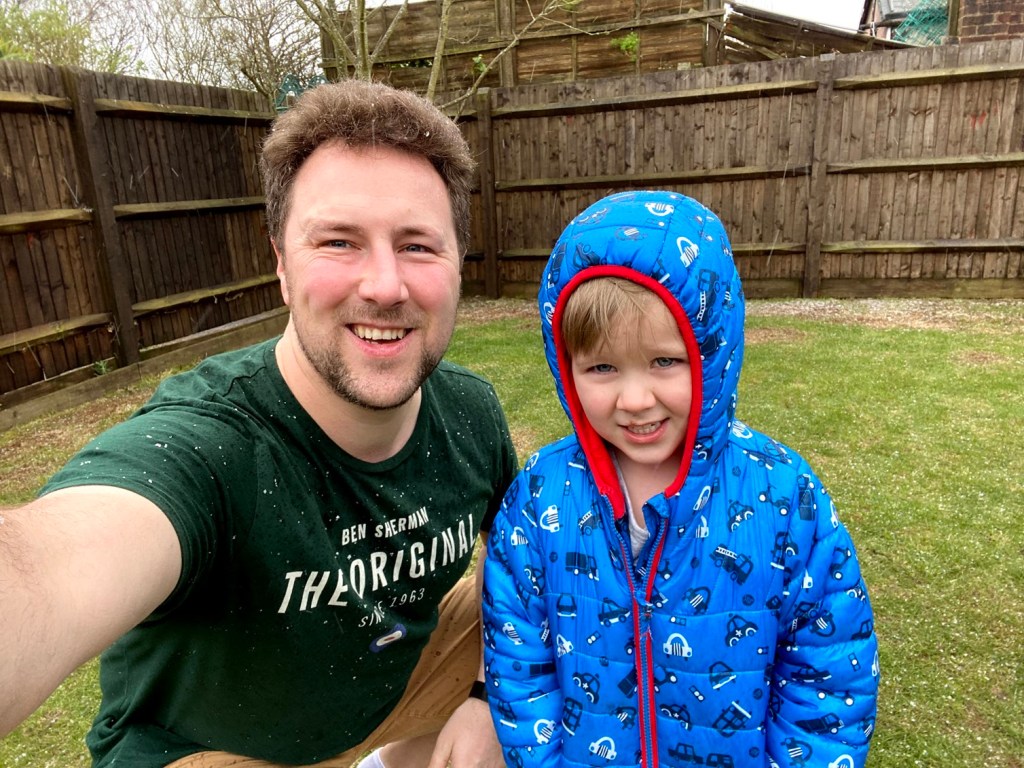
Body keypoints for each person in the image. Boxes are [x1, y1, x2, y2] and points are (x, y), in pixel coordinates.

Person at [0, 79, 518, 768]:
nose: (385, 286)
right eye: (339, 241)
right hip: (213, 751)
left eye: (418, 246)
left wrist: (486, 695)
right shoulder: (209, 445)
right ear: (281, 264)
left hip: (394, 690)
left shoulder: (472, 413)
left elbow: (529, 566)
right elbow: (48, 568)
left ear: (458, 264)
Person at [481, 190, 879, 767]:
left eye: (664, 361)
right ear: (565, 368)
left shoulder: (784, 496)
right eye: (602, 367)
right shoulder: (540, 497)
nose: (635, 399)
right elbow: (519, 666)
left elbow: (828, 674)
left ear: (712, 351)